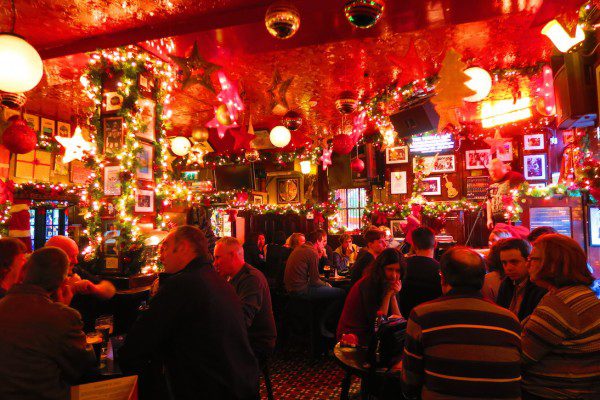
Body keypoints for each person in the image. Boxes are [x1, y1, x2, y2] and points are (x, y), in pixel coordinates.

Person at [118, 226, 259, 400]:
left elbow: (135, 346)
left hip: (211, 390)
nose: (161, 255)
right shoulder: (217, 280)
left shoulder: (181, 285)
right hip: (241, 383)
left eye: (165, 247)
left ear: (184, 247)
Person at [402, 247, 522, 400]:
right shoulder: (510, 319)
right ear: (482, 279)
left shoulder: (423, 315)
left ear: (443, 278)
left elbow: (410, 383)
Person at [0, 247, 95, 400]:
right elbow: (83, 366)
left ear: (24, 272)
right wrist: (64, 309)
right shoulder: (63, 316)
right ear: (62, 281)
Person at [522, 234, 600, 399]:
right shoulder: (580, 293)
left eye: (533, 259)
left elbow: (522, 357)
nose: (527, 264)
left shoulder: (559, 303)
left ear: (552, 265)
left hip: (555, 392)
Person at [214, 237, 277, 366]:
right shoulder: (231, 277)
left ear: (232, 256)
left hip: (257, 341)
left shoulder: (251, 279)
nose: (215, 263)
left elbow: (242, 320)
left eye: (217, 257)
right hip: (243, 337)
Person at [284, 229, 345, 336]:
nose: (324, 245)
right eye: (323, 242)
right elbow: (314, 281)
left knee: (328, 293)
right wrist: (327, 285)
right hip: (301, 291)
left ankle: (321, 322)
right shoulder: (311, 251)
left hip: (290, 289)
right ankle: (322, 323)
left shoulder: (301, 249)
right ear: (318, 241)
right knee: (341, 293)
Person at [337, 248, 404, 345]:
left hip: (369, 333)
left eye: (398, 271)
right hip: (353, 337)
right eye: (390, 269)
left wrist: (393, 295)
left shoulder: (388, 283)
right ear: (381, 269)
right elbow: (378, 327)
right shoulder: (369, 285)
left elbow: (399, 323)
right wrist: (388, 295)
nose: (394, 275)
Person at [45, 235, 116, 300]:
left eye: (75, 256)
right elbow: (51, 311)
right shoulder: (40, 279)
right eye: (70, 256)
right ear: (53, 257)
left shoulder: (75, 270)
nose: (76, 261)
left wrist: (94, 288)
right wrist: (70, 288)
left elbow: (110, 289)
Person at [495, 238, 546, 321]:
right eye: (504, 263)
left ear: (528, 261)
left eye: (514, 262)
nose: (508, 268)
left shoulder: (540, 287)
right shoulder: (506, 283)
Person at [398, 227, 442, 318]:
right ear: (435, 244)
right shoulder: (442, 270)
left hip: (404, 320)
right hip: (433, 320)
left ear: (414, 245)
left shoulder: (401, 267)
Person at [486, 158, 525, 230]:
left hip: (512, 221)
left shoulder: (515, 177)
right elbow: (489, 201)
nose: (492, 174)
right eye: (490, 171)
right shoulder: (492, 181)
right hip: (497, 221)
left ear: (503, 168)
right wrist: (489, 218)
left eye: (495, 171)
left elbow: (523, 198)